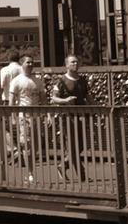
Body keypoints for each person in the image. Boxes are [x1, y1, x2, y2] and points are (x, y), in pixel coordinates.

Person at [5, 56, 48, 184]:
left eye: (32, 62)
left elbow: (43, 99)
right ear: (22, 64)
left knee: (35, 146)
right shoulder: (16, 81)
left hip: (36, 117)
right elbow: (12, 101)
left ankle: (30, 169)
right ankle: (30, 173)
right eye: (28, 62)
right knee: (27, 145)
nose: (30, 64)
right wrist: (12, 117)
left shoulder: (37, 80)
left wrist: (47, 115)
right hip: (24, 117)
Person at [48, 55, 89, 183]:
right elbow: (54, 98)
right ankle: (80, 172)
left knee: (82, 144)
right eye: (72, 62)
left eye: (77, 61)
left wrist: (97, 108)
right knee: (71, 144)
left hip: (82, 116)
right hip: (67, 117)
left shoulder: (82, 80)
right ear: (66, 65)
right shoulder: (61, 81)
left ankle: (64, 165)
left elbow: (87, 96)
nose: (75, 64)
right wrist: (65, 100)